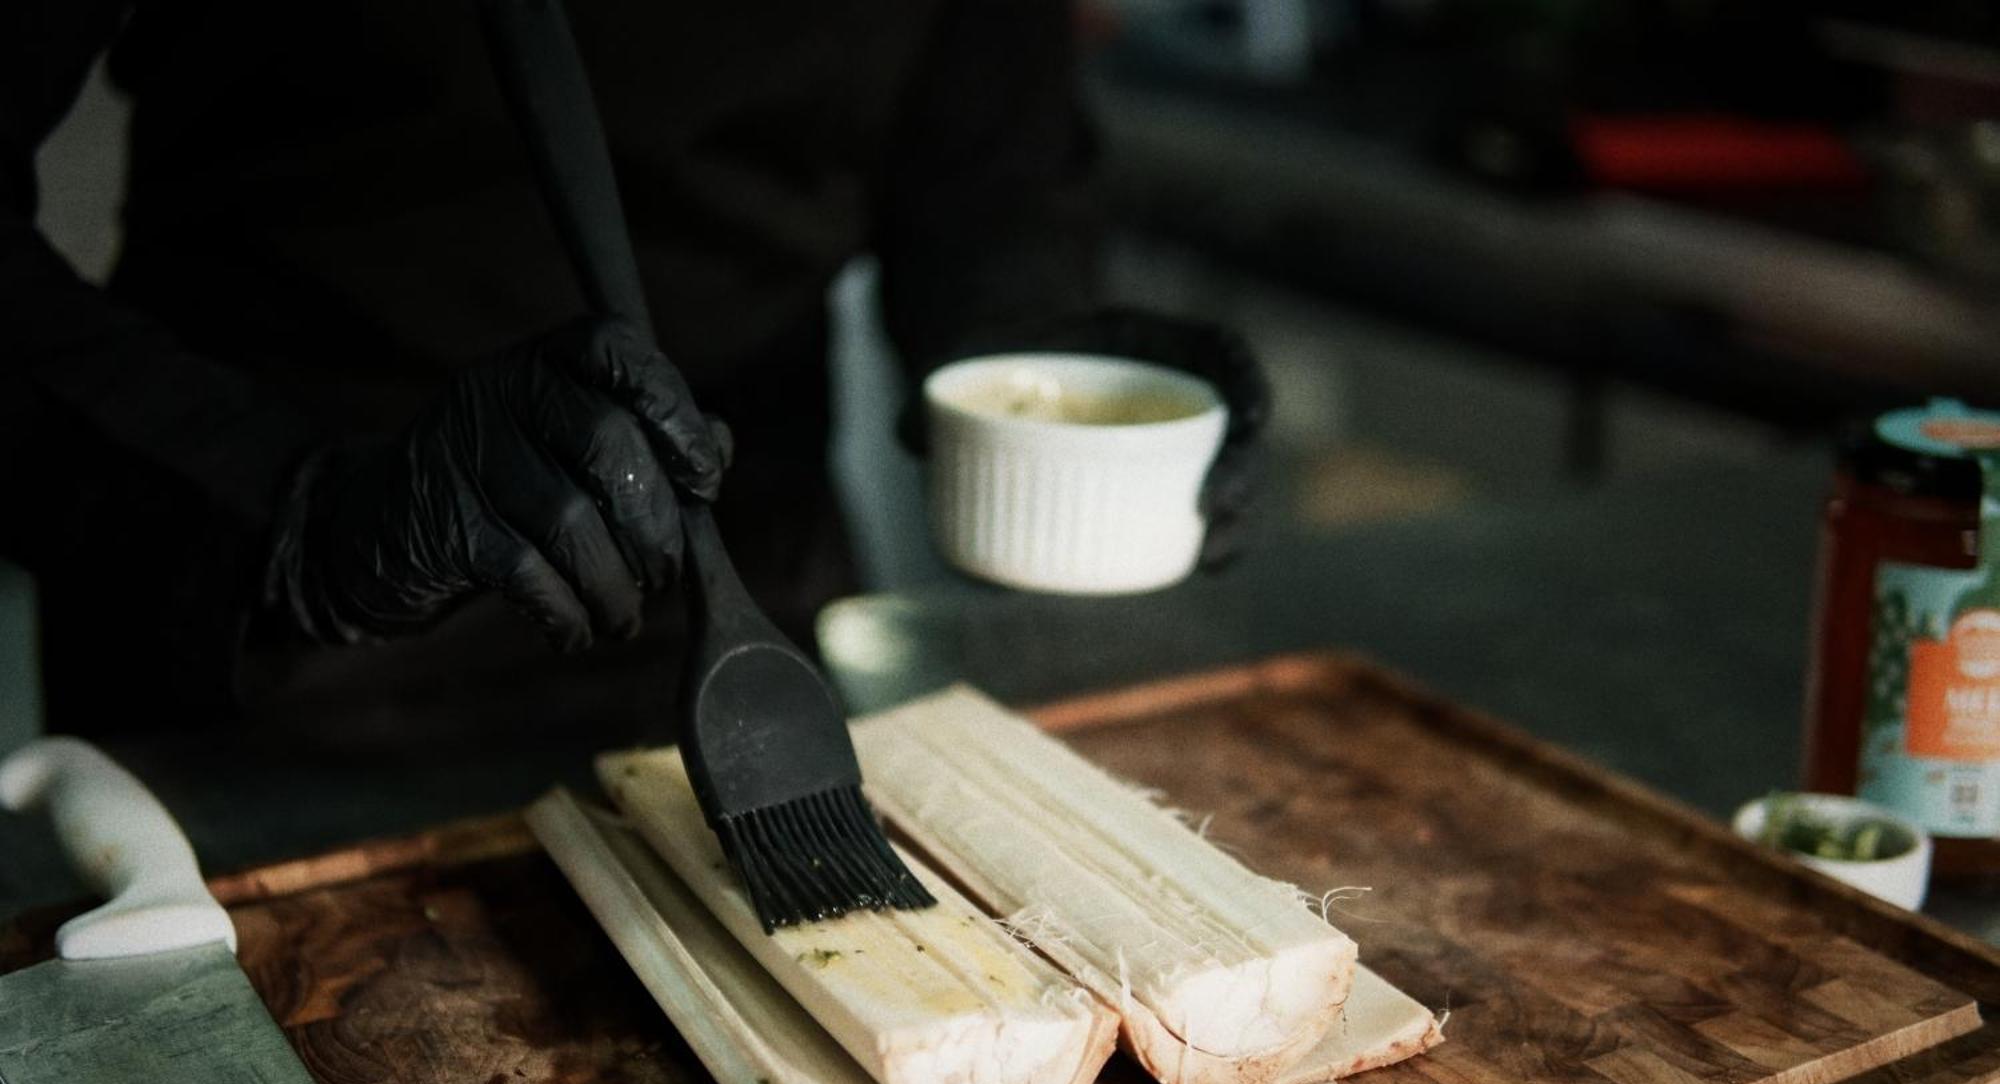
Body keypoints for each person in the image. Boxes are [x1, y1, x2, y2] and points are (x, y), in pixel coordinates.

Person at [0, 2, 1268, 742]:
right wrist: (286, 517)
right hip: (264, 633)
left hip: (751, 654)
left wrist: (1044, 360)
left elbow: (982, 170)